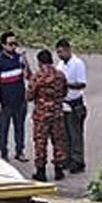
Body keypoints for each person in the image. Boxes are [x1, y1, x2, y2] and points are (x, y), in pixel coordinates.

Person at [0, 31, 28, 163]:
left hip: (20, 100)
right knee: (3, 128)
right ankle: (4, 152)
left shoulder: (19, 59)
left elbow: (28, 76)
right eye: (10, 44)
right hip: (5, 101)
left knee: (20, 127)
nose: (14, 47)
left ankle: (19, 151)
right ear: (3, 45)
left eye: (15, 44)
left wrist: (25, 62)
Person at [29, 48, 67, 181]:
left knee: (40, 142)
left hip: (41, 115)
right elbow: (64, 93)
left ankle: (41, 171)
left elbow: (29, 96)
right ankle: (59, 170)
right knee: (58, 141)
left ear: (40, 62)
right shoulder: (60, 75)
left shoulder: (37, 77)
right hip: (57, 113)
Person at [55, 38, 88, 173]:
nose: (60, 55)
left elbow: (82, 84)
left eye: (61, 52)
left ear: (68, 50)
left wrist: (66, 84)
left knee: (76, 134)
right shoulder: (60, 65)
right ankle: (68, 159)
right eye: (58, 53)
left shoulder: (77, 63)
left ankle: (78, 160)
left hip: (75, 103)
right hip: (64, 103)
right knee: (65, 134)